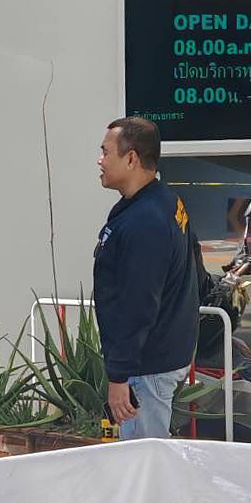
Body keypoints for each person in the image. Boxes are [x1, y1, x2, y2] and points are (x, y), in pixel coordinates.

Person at [93, 117, 198, 439]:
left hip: (146, 367)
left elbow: (138, 305)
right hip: (159, 358)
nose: (99, 160)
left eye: (105, 152)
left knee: (144, 461)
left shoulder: (145, 221)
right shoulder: (163, 201)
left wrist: (119, 376)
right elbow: (195, 262)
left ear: (131, 158)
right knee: (149, 456)